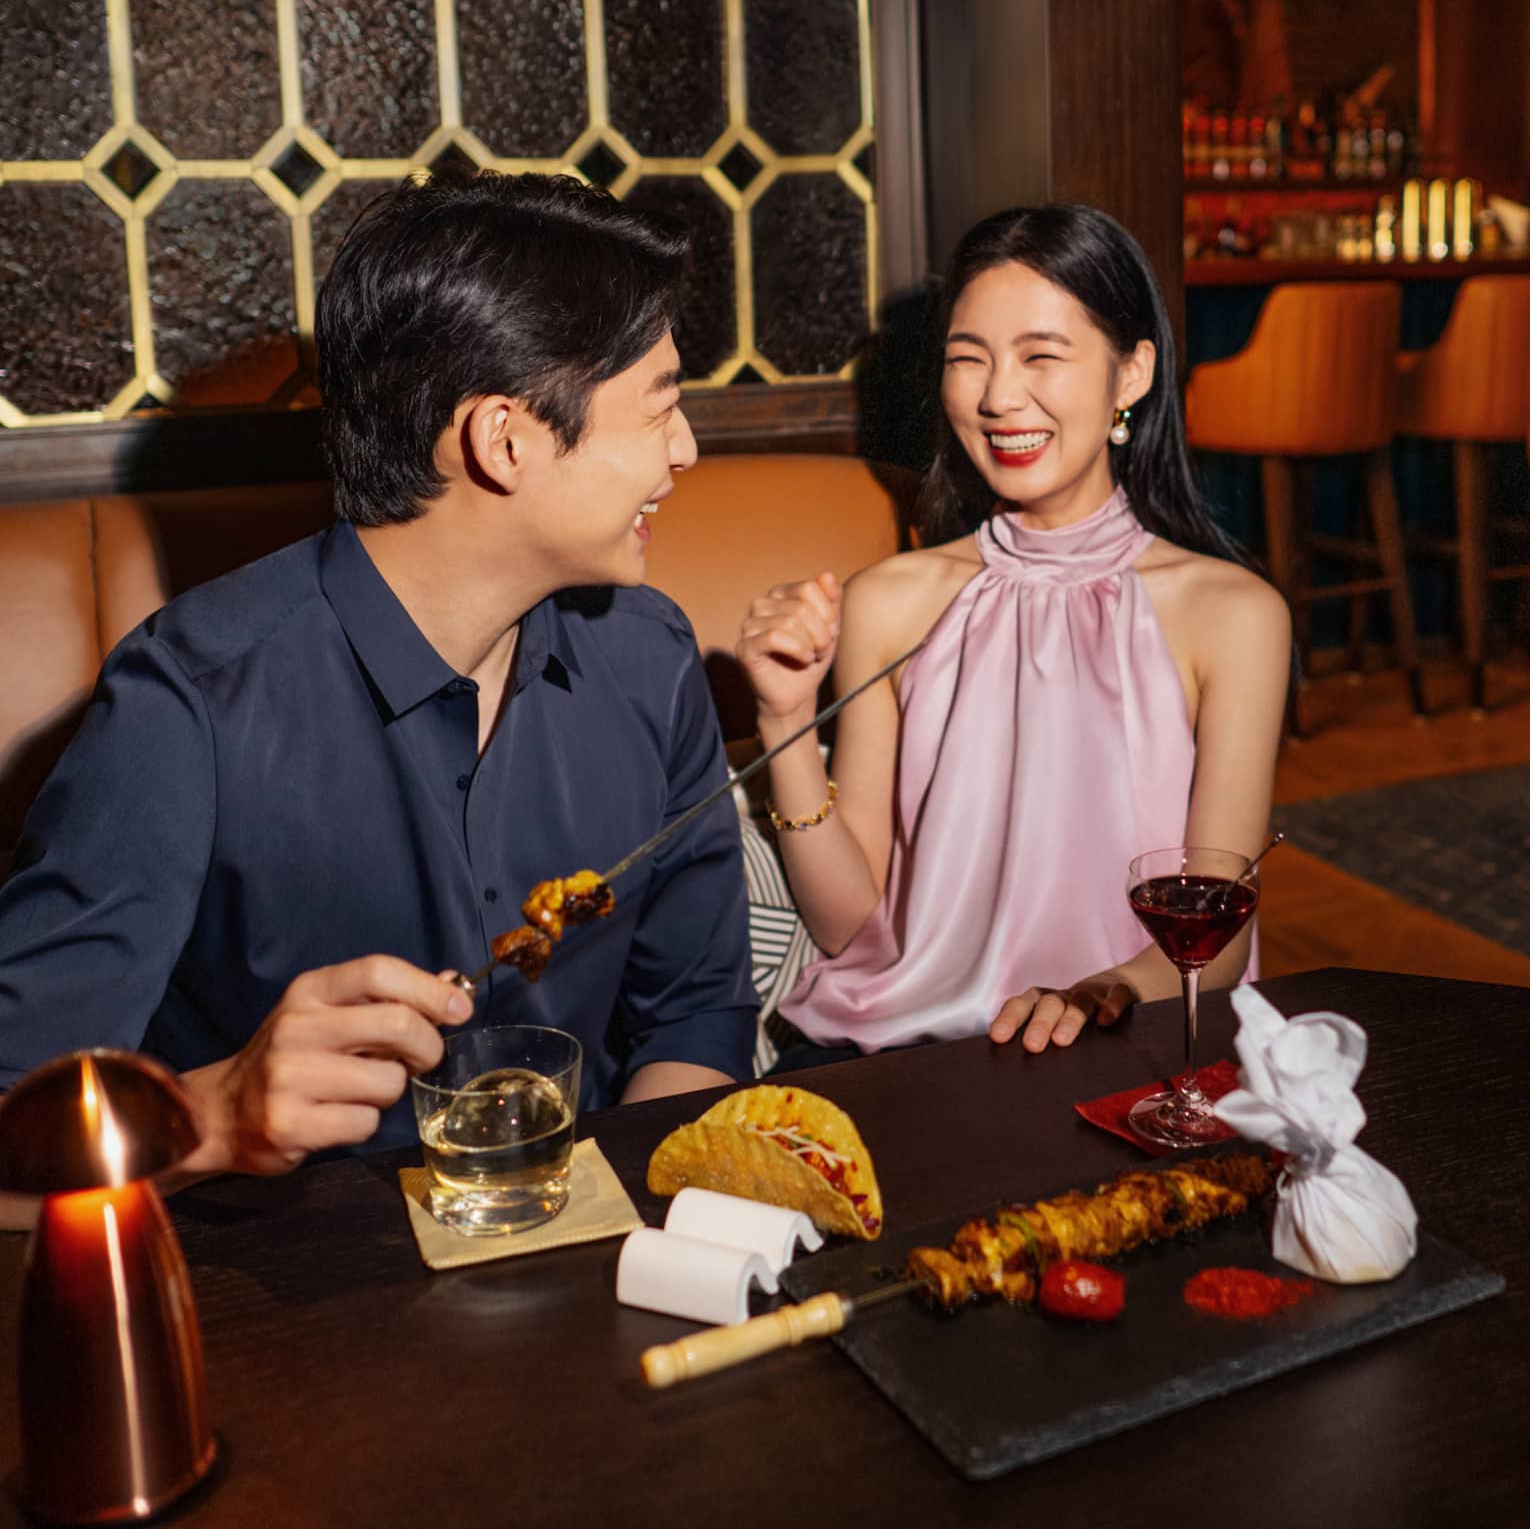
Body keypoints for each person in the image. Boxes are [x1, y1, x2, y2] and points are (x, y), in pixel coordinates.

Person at [0, 173, 756, 1208]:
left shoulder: (648, 655)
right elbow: (16, 1126)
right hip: (291, 1310)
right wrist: (214, 1120)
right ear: (504, 440)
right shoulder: (187, 704)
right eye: (660, 406)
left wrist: (627, 1239)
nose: (686, 450)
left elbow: (695, 1019)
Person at [737, 204, 1290, 1063]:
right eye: (969, 359)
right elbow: (847, 921)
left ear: (1131, 373)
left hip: (1131, 1036)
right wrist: (784, 722)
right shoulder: (890, 601)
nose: (998, 396)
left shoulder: (1234, 616)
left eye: (1042, 356)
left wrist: (1100, 997)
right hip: (905, 1050)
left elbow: (1212, 936)